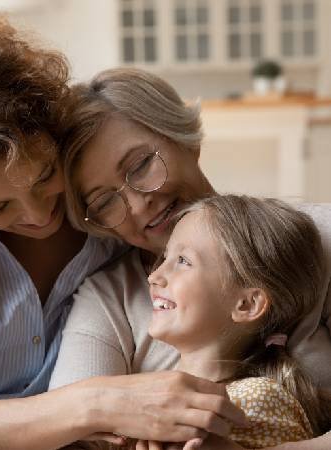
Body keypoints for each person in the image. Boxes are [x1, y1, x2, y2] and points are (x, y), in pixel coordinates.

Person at [0, 21, 245, 450]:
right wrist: (99, 403)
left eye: (45, 177)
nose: (38, 216)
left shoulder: (106, 216)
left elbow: (185, 215)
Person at [49, 68, 331, 450]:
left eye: (139, 166)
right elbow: (70, 432)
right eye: (104, 202)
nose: (137, 203)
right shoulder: (107, 298)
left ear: (184, 139)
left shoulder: (320, 236)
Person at [142, 194, 331, 449]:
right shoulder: (145, 395)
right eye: (164, 258)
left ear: (247, 305)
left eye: (183, 261)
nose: (154, 276)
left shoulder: (256, 399)